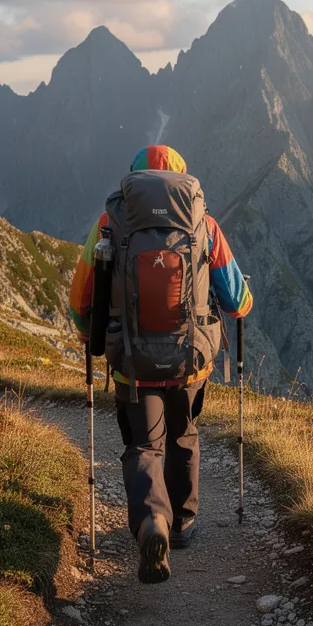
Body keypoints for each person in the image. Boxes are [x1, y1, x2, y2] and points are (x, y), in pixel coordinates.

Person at [68, 145, 252, 584]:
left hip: (132, 362)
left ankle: (153, 520)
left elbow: (81, 297)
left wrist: (90, 335)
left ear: (132, 180)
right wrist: (239, 301)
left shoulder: (109, 223)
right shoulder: (205, 225)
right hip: (189, 361)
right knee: (183, 433)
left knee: (144, 444)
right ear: (183, 180)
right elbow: (236, 300)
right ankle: (183, 523)